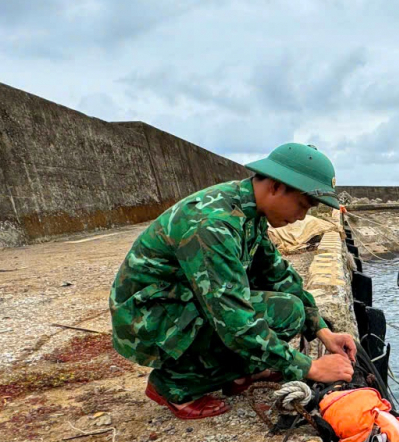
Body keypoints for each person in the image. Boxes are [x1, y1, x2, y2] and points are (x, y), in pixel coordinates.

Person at [110, 143, 356, 419]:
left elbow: (278, 274)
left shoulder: (249, 212)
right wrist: (309, 368)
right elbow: (233, 318)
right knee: (262, 318)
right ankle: (173, 385)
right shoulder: (213, 223)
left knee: (289, 310)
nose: (302, 216)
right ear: (275, 186)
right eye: (302, 204)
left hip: (181, 303)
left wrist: (323, 331)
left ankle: (235, 373)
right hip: (148, 318)